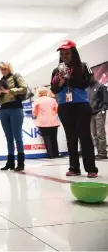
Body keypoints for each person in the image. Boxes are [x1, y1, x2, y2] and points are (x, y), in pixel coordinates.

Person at [51, 40, 98, 178]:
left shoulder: (83, 67)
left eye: (67, 53)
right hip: (64, 107)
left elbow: (86, 83)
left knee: (85, 137)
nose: (64, 55)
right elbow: (54, 89)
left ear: (74, 53)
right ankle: (74, 167)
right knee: (71, 138)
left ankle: (91, 168)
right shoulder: (56, 70)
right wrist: (60, 82)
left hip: (81, 105)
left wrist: (70, 78)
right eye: (62, 53)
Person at [0, 61, 28, 172]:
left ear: (9, 68)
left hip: (16, 108)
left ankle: (21, 163)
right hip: (4, 109)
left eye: (5, 69)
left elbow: (24, 88)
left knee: (18, 137)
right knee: (9, 138)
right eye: (1, 69)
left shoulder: (15, 76)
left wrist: (9, 90)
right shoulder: (1, 81)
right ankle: (10, 162)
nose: (3, 71)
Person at [33, 87, 60, 159]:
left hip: (42, 122)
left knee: (46, 138)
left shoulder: (37, 101)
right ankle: (56, 153)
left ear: (38, 93)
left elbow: (35, 113)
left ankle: (51, 155)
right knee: (54, 138)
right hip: (53, 121)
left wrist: (35, 116)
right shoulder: (53, 100)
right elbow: (57, 109)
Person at [87, 74, 108, 160]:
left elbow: (105, 100)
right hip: (91, 113)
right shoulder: (87, 88)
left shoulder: (101, 86)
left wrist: (103, 109)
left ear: (93, 76)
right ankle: (99, 151)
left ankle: (103, 152)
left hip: (99, 112)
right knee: (94, 134)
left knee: (100, 133)